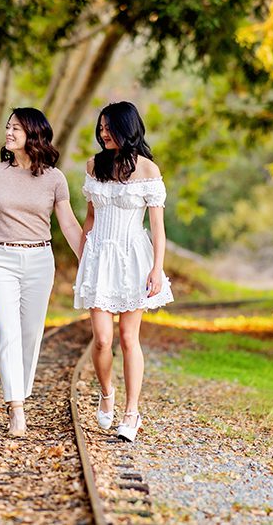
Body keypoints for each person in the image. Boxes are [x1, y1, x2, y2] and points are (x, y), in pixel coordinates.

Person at [0, 108, 83, 436]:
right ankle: (16, 408)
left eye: (16, 128)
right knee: (7, 331)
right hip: (0, 259)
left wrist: (89, 258)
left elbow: (69, 225)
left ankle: (19, 393)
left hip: (40, 260)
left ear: (34, 134)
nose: (9, 132)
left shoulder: (54, 179)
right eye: (8, 126)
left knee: (30, 335)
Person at [73, 101, 173, 442]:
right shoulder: (93, 165)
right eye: (100, 128)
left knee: (130, 338)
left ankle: (131, 413)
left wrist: (157, 269)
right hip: (99, 255)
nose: (102, 133)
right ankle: (106, 393)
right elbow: (90, 217)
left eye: (108, 127)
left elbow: (157, 228)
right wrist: (82, 257)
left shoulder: (148, 170)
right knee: (101, 339)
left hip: (133, 257)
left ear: (126, 128)